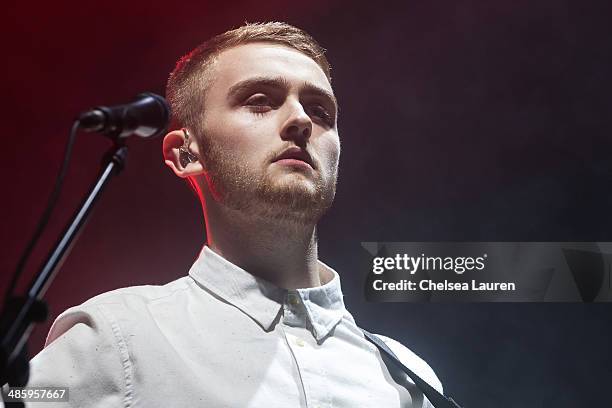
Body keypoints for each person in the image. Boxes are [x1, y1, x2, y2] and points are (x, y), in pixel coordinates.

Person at [19, 22, 443, 407]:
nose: (300, 120)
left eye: (320, 112)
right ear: (187, 153)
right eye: (260, 101)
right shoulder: (115, 336)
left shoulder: (406, 378)